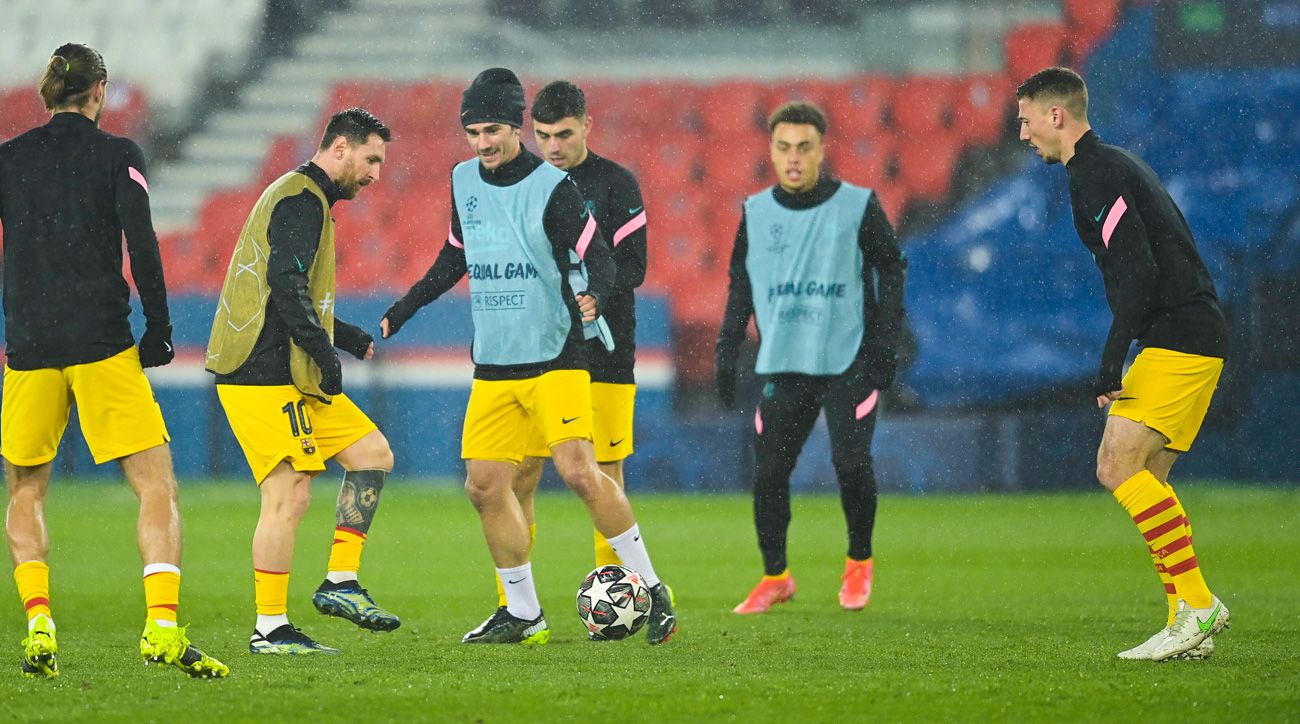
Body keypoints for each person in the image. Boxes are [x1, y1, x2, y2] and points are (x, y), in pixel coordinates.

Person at [382, 68, 676, 645]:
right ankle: (523, 613)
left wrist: (594, 292)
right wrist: (405, 307)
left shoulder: (552, 187)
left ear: (516, 125)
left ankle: (652, 586)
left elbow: (606, 256)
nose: (483, 142)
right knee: (486, 486)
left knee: (579, 473)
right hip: (493, 364)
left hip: (555, 357)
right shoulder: (463, 180)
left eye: (493, 128)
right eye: (472, 131)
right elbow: (453, 257)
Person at [0, 44, 227, 679]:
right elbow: (142, 240)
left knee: (26, 487)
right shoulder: (118, 155)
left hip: (30, 346)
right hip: (100, 339)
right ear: (98, 91)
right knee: (154, 482)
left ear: (48, 93)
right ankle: (160, 627)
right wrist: (158, 326)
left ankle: (40, 622)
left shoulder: (8, 161)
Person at [1016, 66, 1231, 661]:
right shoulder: (1115, 164)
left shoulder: (1094, 173)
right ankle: (1184, 621)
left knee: (1115, 466)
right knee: (1149, 480)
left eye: (1027, 120)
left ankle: (1199, 603)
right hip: (1194, 331)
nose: (1024, 133)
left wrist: (1111, 362)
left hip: (1177, 336)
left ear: (1056, 115)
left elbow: (1137, 270)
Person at [206, 108, 399, 655]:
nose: (375, 174)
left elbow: (288, 295)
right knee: (288, 496)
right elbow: (285, 287)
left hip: (288, 367)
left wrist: (345, 335)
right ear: (340, 147)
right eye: (371, 159)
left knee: (371, 454)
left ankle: (340, 582)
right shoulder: (301, 200)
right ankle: (269, 628)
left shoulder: (306, 199)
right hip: (261, 372)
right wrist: (324, 351)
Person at [716, 101, 906, 615]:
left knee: (851, 464)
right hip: (785, 362)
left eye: (804, 147)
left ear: (822, 149)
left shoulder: (857, 205)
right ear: (771, 152)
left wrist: (886, 344)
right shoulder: (755, 213)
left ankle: (858, 563)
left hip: (847, 361)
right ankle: (775, 576)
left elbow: (891, 268)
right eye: (784, 148)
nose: (794, 158)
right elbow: (741, 284)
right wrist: (726, 349)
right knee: (769, 474)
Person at [484, 80, 650, 613]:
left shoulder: (616, 184)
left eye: (563, 134)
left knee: (602, 469)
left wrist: (591, 294)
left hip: (604, 352)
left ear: (586, 126)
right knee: (524, 474)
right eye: (542, 135)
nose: (552, 147)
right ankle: (517, 606)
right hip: (540, 353)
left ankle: (625, 601)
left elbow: (635, 266)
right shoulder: (525, 183)